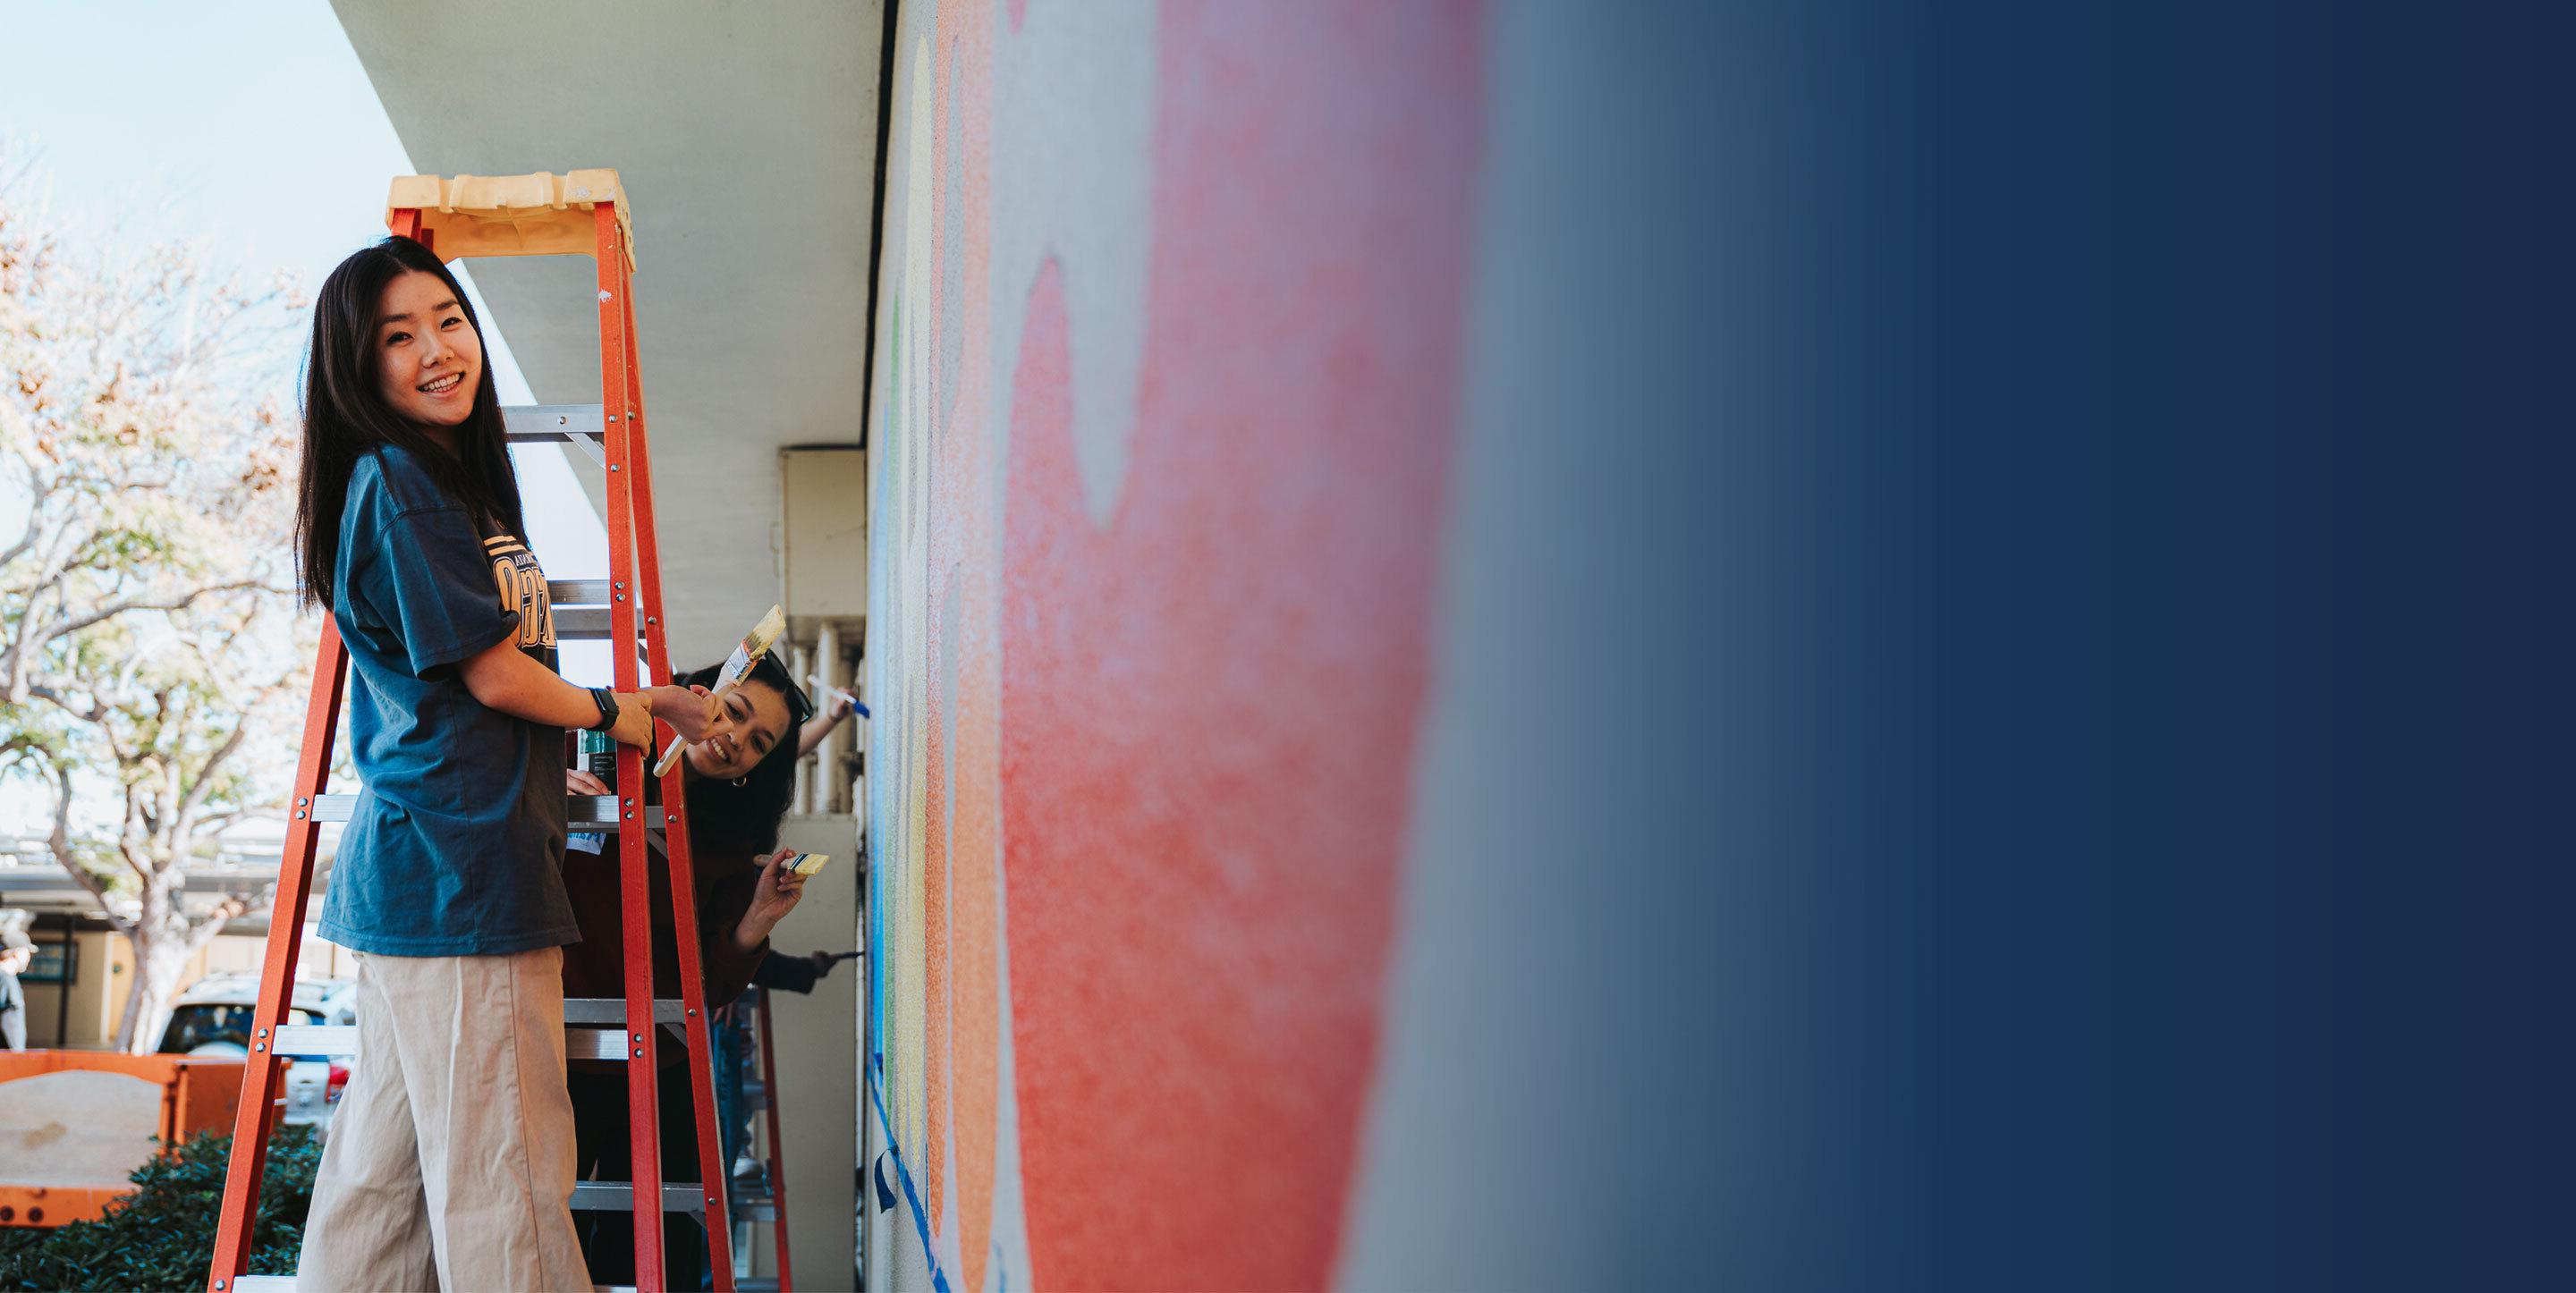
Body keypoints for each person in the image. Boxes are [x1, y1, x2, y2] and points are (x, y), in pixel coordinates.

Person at [289, 236, 730, 1293]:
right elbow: (494, 678)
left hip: (436, 873)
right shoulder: (400, 484)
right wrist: (629, 714)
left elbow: (469, 698)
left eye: (448, 320)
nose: (439, 350)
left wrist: (551, 762)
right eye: (398, 338)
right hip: (460, 880)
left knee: (378, 1200)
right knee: (510, 1194)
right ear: (358, 368)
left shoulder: (439, 484)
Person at [558, 653, 815, 1288]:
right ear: (696, 695)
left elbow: (711, 988)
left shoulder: (732, 847)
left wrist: (757, 920)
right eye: (734, 711)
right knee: (534, 1236)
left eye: (760, 744)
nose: (735, 740)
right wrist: (541, 791)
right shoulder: (593, 751)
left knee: (656, 1256)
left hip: (655, 1059)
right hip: (553, 1045)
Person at [1, 913, 34, 1052]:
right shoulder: (3, 978)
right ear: (16, 952)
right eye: (27, 951)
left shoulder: (8, 978)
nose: (29, 956)